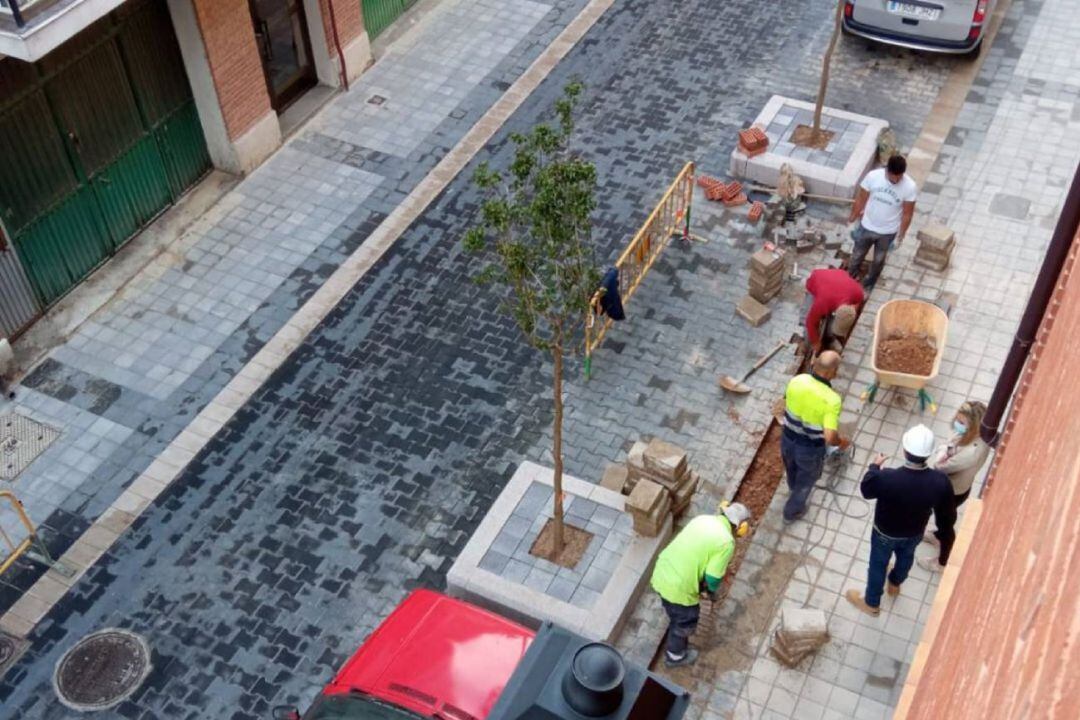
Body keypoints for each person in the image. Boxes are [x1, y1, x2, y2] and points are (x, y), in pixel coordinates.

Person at [845, 425, 954, 616]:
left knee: (878, 564)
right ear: (928, 454)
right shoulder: (940, 481)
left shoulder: (887, 478)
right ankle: (895, 583)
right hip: (914, 532)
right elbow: (945, 514)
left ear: (904, 450)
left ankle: (871, 603)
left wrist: (874, 467)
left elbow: (866, 490)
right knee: (906, 558)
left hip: (884, 533)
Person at [650, 502, 752, 667]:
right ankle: (675, 656)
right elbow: (712, 577)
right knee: (686, 619)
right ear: (740, 527)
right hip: (679, 587)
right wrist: (711, 591)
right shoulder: (726, 542)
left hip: (662, 571)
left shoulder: (702, 519)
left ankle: (673, 616)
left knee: (673, 608)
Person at [918, 401, 991, 572]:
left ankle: (942, 561)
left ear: (973, 426)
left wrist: (941, 454)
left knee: (946, 524)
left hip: (953, 490)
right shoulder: (973, 437)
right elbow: (951, 446)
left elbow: (942, 466)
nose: (957, 424)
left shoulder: (972, 450)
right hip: (956, 486)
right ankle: (937, 535)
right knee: (943, 519)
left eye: (962, 422)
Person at [781, 351, 850, 522]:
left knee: (791, 467)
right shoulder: (832, 400)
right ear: (831, 372)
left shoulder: (797, 380)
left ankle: (792, 487)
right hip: (809, 450)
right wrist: (840, 442)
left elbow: (787, 400)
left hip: (787, 440)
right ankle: (791, 512)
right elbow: (829, 436)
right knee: (806, 481)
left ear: (814, 365)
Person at [847, 154, 918, 291]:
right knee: (857, 255)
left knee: (879, 260)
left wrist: (900, 236)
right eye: (892, 176)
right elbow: (861, 199)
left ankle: (868, 283)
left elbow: (907, 214)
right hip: (866, 226)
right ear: (887, 170)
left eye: (899, 176)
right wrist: (851, 220)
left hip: (887, 232)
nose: (896, 179)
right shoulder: (873, 177)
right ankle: (850, 278)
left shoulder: (910, 187)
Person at [803, 267, 865, 353]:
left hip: (837, 277)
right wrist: (816, 343)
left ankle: (829, 338)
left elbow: (858, 302)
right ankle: (806, 346)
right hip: (817, 278)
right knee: (807, 323)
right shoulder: (822, 303)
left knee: (827, 320)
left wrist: (852, 312)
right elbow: (810, 323)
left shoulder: (858, 292)